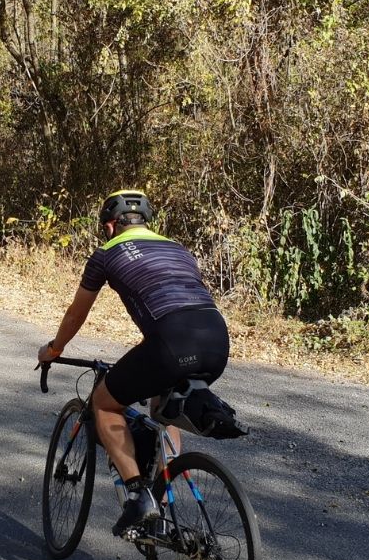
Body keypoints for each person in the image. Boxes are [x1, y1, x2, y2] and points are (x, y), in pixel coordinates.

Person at [37, 190, 230, 536]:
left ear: (110, 225)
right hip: (216, 340)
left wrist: (53, 349)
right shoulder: (177, 248)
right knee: (164, 409)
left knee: (104, 404)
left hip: (171, 341)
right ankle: (164, 498)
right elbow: (178, 301)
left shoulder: (106, 253)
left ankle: (139, 497)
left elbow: (75, 314)